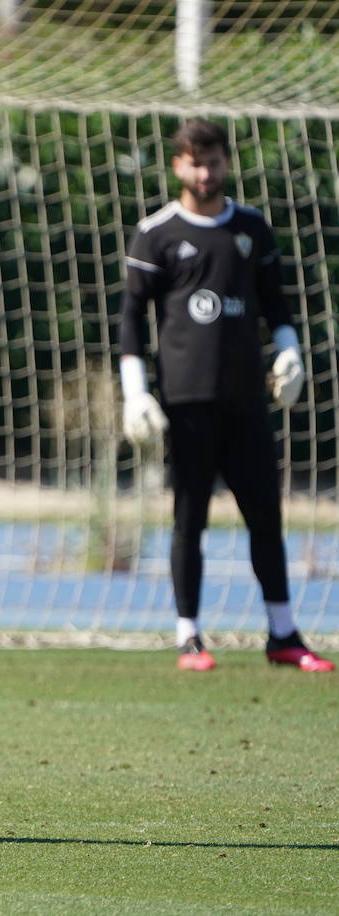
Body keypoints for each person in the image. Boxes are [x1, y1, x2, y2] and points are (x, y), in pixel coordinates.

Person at [118, 117, 332, 673]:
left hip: (246, 401)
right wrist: (136, 393)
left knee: (265, 517)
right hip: (186, 403)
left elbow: (276, 304)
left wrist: (289, 353)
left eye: (213, 162)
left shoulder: (252, 229)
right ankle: (189, 636)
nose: (205, 174)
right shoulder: (156, 233)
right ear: (178, 166)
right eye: (195, 163)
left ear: (225, 163)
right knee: (189, 520)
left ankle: (283, 634)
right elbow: (131, 322)